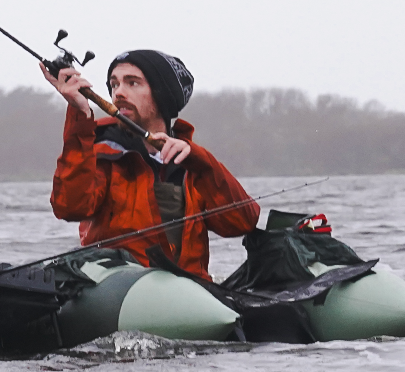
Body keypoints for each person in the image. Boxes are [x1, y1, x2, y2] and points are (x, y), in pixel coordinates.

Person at [40, 50, 259, 281]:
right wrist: (80, 114)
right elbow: (69, 208)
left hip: (191, 297)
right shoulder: (100, 153)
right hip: (119, 291)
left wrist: (202, 163)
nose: (119, 93)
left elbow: (242, 222)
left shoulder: (195, 163)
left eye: (132, 83)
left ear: (162, 94)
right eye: (114, 85)